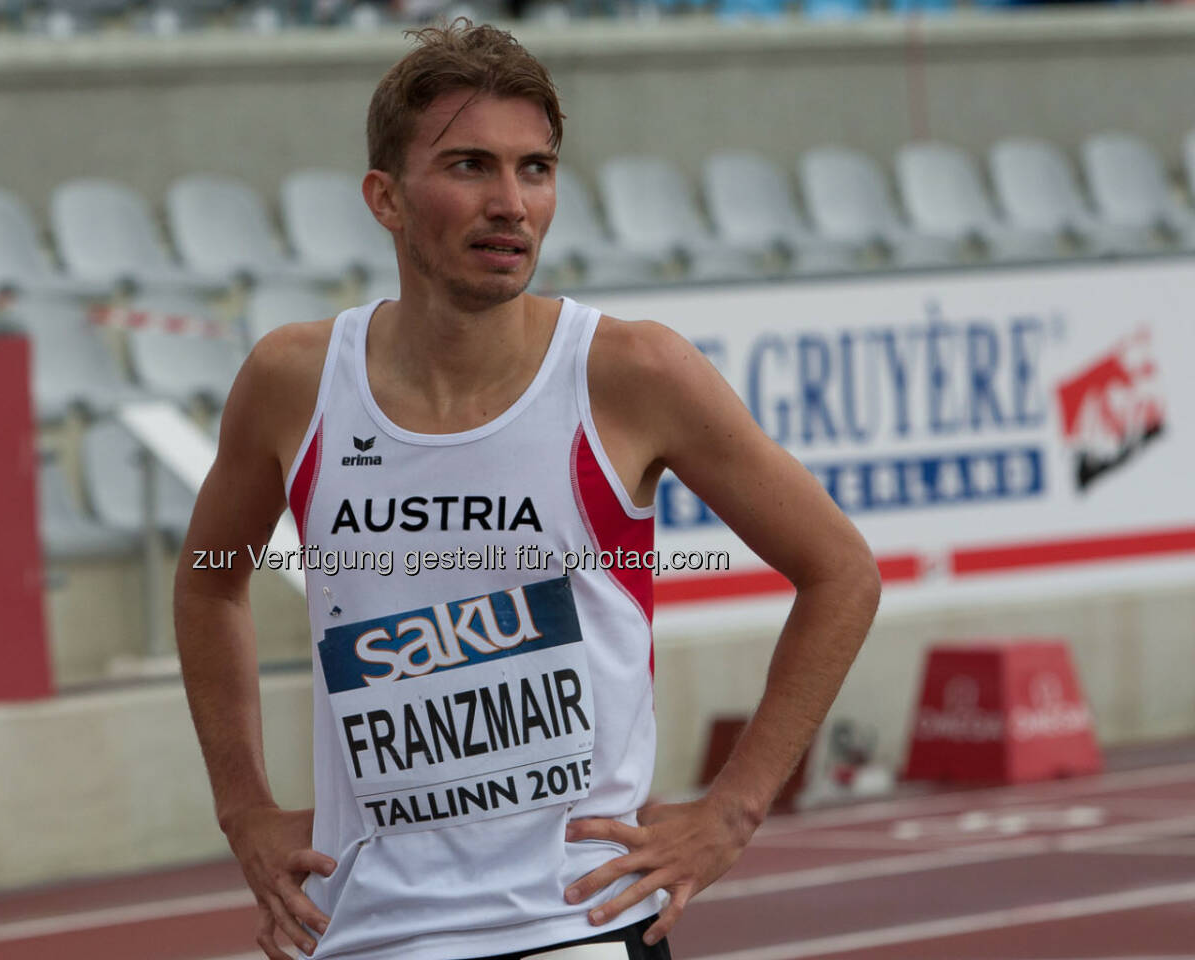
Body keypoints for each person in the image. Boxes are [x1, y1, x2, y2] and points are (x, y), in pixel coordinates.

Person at [173, 19, 881, 960]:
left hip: (574, 927)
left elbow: (841, 571)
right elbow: (211, 577)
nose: (511, 203)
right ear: (384, 197)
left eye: (535, 170)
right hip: (367, 932)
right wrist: (243, 809)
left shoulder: (630, 373)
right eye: (470, 166)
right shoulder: (296, 381)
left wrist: (732, 812)